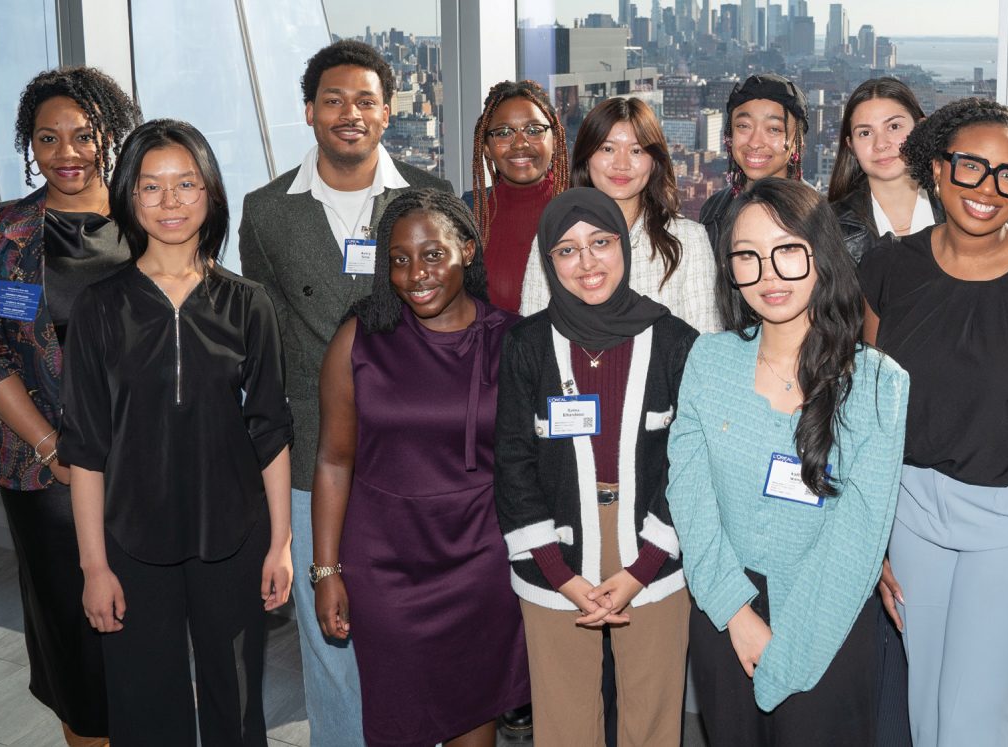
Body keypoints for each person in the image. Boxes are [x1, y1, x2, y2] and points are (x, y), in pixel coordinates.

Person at [237, 39, 451, 744]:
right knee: (328, 639)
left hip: (412, 454)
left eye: (365, 100)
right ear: (308, 112)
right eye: (333, 100)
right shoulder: (266, 211)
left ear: (389, 111)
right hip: (311, 453)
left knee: (414, 627)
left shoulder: (429, 196)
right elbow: (264, 339)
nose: (349, 114)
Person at [61, 118, 293, 746]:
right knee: (144, 709)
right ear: (128, 198)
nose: (170, 203)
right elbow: (84, 448)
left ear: (210, 193)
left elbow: (270, 429)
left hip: (234, 535)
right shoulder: (100, 306)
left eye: (186, 184)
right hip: (132, 542)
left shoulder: (248, 303)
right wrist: (93, 567)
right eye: (151, 186)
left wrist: (281, 544)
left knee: (237, 707)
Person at [859, 97, 1008, 747]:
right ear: (937, 169)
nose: (988, 187)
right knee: (925, 708)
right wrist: (873, 531)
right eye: (971, 166)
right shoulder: (890, 266)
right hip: (913, 511)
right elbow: (870, 402)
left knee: (973, 718)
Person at [668, 177, 907, 745]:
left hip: (830, 610)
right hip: (725, 608)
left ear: (821, 256)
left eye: (787, 252)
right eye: (747, 257)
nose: (768, 274)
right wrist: (735, 612)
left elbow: (858, 538)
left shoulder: (878, 382)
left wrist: (787, 659)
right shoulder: (710, 359)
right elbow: (690, 498)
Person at [0, 65, 139, 747]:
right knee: (75, 642)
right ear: (28, 145)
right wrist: (54, 448)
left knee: (149, 637)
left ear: (110, 136)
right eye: (47, 138)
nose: (66, 153)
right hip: (44, 475)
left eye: (84, 135)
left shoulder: (153, 219)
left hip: (149, 471)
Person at [309, 189, 529, 747]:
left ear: (469, 252)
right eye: (400, 260)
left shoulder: (514, 340)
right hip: (384, 565)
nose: (415, 274)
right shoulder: (360, 340)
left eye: (432, 254)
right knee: (397, 720)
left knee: (471, 717)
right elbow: (334, 461)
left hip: (481, 563)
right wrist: (326, 570)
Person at [494, 187, 695, 746]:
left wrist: (644, 564)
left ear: (623, 245)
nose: (586, 263)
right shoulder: (527, 346)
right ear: (548, 261)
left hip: (654, 543)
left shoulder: (677, 342)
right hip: (552, 544)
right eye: (566, 249)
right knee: (563, 722)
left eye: (600, 242)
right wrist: (559, 574)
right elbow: (512, 461)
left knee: (653, 722)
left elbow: (692, 469)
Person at [520, 96, 721, 332]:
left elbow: (705, 345)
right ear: (586, 157)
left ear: (654, 162)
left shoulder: (688, 239)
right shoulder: (556, 237)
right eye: (608, 148)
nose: (622, 164)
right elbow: (533, 338)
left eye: (636, 151)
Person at [467, 79, 570, 313]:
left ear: (555, 139)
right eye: (503, 133)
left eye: (534, 131)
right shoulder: (468, 213)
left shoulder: (582, 210)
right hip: (490, 349)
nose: (520, 144)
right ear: (486, 147)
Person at [828, 77, 941, 263]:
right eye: (865, 133)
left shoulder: (958, 208)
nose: (880, 144)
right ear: (851, 146)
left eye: (894, 127)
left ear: (920, 128)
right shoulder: (829, 227)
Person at [698, 74, 810, 251]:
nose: (755, 142)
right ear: (729, 136)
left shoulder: (820, 214)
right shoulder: (713, 210)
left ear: (798, 144)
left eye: (774, 129)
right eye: (743, 126)